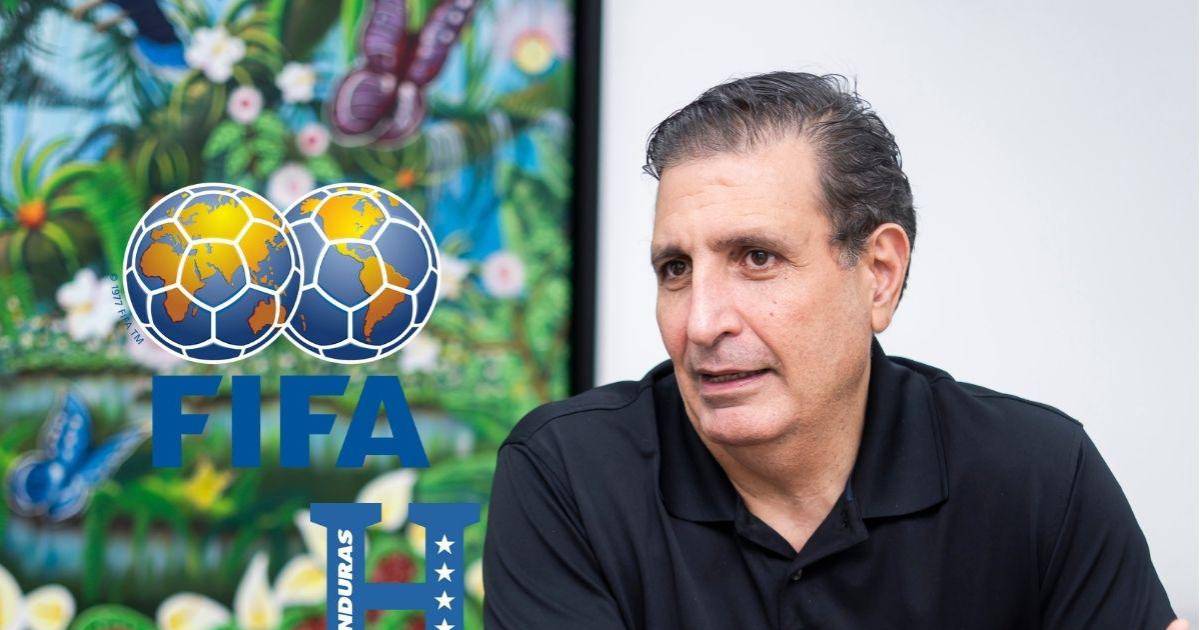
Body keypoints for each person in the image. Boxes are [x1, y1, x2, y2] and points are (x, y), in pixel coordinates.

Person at [482, 71, 1185, 629]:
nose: (701, 322)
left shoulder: (1037, 475)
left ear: (879, 274)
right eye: (676, 269)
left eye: (757, 258)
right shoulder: (567, 476)